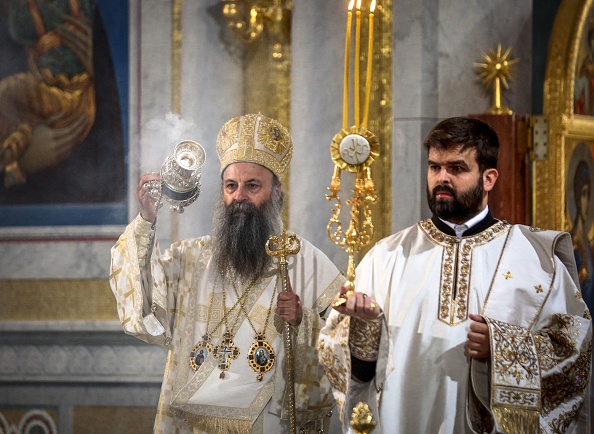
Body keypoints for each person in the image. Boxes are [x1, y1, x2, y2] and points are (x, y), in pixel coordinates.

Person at [318, 117, 592, 433]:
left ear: (489, 178)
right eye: (435, 167)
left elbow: (574, 352)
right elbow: (346, 365)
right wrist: (364, 331)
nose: (442, 178)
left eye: (457, 168)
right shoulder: (386, 256)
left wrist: (503, 349)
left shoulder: (536, 260)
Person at [110, 113, 343, 433]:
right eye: (231, 186)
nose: (239, 197)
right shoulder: (192, 259)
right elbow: (145, 308)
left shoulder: (302, 260)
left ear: (276, 192)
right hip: (195, 424)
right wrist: (147, 221)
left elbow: (346, 342)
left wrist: (304, 322)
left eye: (252, 186)